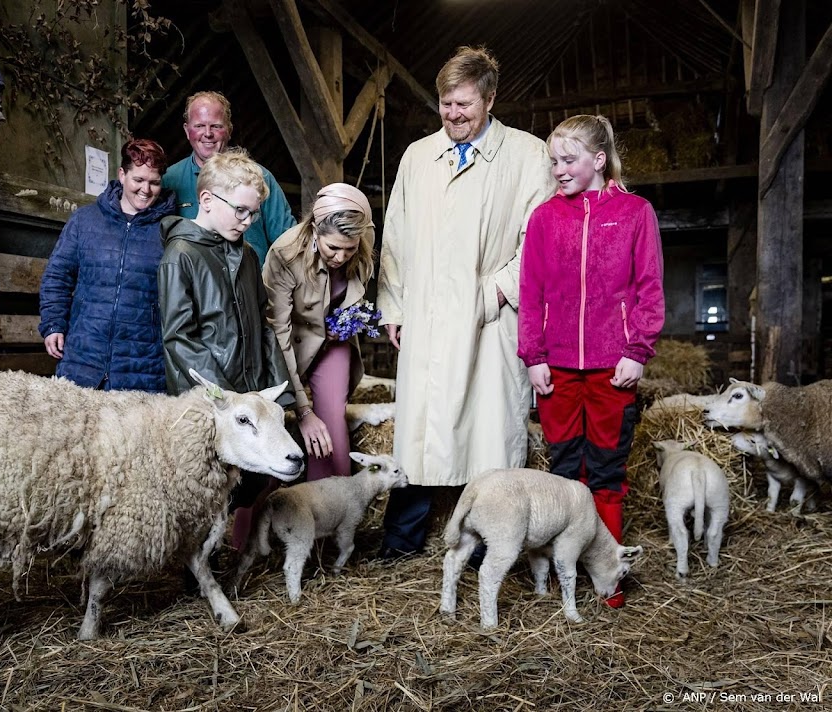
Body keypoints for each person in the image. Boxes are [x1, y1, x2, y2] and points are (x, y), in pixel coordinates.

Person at [376, 46, 556, 558]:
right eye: (446, 104)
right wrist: (395, 307)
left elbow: (537, 240)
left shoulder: (526, 155)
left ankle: (487, 548)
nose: (454, 114)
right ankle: (402, 541)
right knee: (419, 431)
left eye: (465, 105)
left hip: (489, 319)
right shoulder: (417, 156)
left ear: (491, 99)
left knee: (488, 432)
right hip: (428, 316)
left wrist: (499, 290)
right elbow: (396, 239)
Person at [518, 114, 665, 606]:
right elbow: (531, 292)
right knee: (565, 472)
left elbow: (649, 288)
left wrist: (637, 351)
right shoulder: (543, 218)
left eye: (569, 159)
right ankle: (568, 576)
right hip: (556, 367)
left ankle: (609, 576)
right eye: (553, 160)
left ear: (599, 160)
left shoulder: (634, 213)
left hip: (612, 367)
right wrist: (533, 356)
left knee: (605, 471)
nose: (558, 169)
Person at [158, 147, 295, 551]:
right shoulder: (180, 255)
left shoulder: (248, 255)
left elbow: (265, 326)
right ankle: (196, 573)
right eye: (240, 210)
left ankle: (233, 556)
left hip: (250, 394)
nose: (248, 221)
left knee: (247, 486)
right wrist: (225, 399)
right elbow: (179, 337)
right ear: (206, 200)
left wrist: (278, 390)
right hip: (213, 402)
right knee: (206, 490)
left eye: (253, 213)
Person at [39, 138, 176, 392]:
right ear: (122, 175)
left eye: (154, 182)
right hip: (83, 359)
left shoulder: (169, 230)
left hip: (143, 367)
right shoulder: (85, 220)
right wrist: (53, 324)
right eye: (138, 180)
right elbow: (58, 276)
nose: (146, 189)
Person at [263, 183, 375, 481]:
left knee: (332, 427)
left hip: (333, 343)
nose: (340, 257)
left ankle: (332, 511)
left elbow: (356, 292)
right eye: (333, 248)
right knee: (289, 422)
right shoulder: (285, 254)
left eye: (349, 249)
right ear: (315, 229)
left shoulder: (363, 238)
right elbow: (279, 332)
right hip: (292, 343)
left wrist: (348, 319)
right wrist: (302, 410)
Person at [162, 90, 295, 267]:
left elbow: (289, 243)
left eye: (216, 126)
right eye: (199, 126)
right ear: (187, 130)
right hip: (193, 288)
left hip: (252, 286)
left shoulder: (259, 178)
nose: (208, 133)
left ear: (229, 130)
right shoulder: (169, 180)